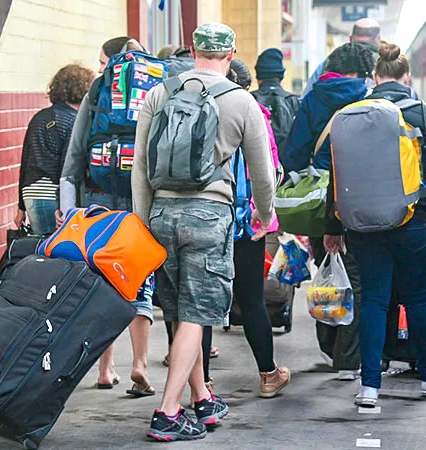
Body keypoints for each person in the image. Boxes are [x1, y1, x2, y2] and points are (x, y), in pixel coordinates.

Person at [133, 23, 276, 441]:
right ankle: (167, 411)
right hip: (209, 216)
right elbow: (262, 173)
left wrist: (143, 220)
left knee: (179, 309)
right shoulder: (241, 101)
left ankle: (202, 398)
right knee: (197, 313)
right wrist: (264, 216)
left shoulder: (159, 93)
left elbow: (140, 166)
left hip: (161, 213)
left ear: (193, 50)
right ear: (230, 55)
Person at [324, 42, 426, 407]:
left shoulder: (350, 114)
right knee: (419, 297)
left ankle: (369, 386)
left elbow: (335, 177)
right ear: (407, 77)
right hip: (414, 222)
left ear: (375, 78)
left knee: (373, 299)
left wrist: (333, 228)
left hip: (361, 225)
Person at [58, 36, 156, 398]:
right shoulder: (157, 92)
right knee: (139, 282)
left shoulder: (97, 91)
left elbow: (73, 161)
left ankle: (105, 368)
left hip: (98, 201)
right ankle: (140, 364)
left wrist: (70, 213)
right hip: (139, 204)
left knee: (103, 282)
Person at [282, 42, 374, 381]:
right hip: (358, 196)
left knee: (326, 269)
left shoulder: (314, 96)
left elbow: (293, 151)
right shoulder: (368, 97)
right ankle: (348, 357)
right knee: (357, 279)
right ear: (361, 70)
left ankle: (328, 342)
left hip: (322, 200)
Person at [223, 58, 291, 399]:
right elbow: (269, 170)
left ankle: (200, 383)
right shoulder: (254, 113)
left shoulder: (202, 107)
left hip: (205, 215)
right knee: (251, 299)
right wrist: (265, 215)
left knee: (199, 307)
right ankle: (268, 375)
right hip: (246, 221)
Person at [14, 64, 94, 235]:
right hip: (52, 194)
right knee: (56, 251)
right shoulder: (74, 121)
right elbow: (68, 167)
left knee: (42, 249)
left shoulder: (39, 117)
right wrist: (65, 206)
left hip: (31, 193)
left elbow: (25, 161)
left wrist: (21, 207)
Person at [303, 18, 381, 97]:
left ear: (350, 39)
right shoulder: (385, 62)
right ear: (379, 40)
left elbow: (306, 96)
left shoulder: (330, 61)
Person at [253, 48, 300, 152]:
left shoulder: (250, 100)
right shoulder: (294, 101)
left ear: (258, 77)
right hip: (289, 166)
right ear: (281, 77)